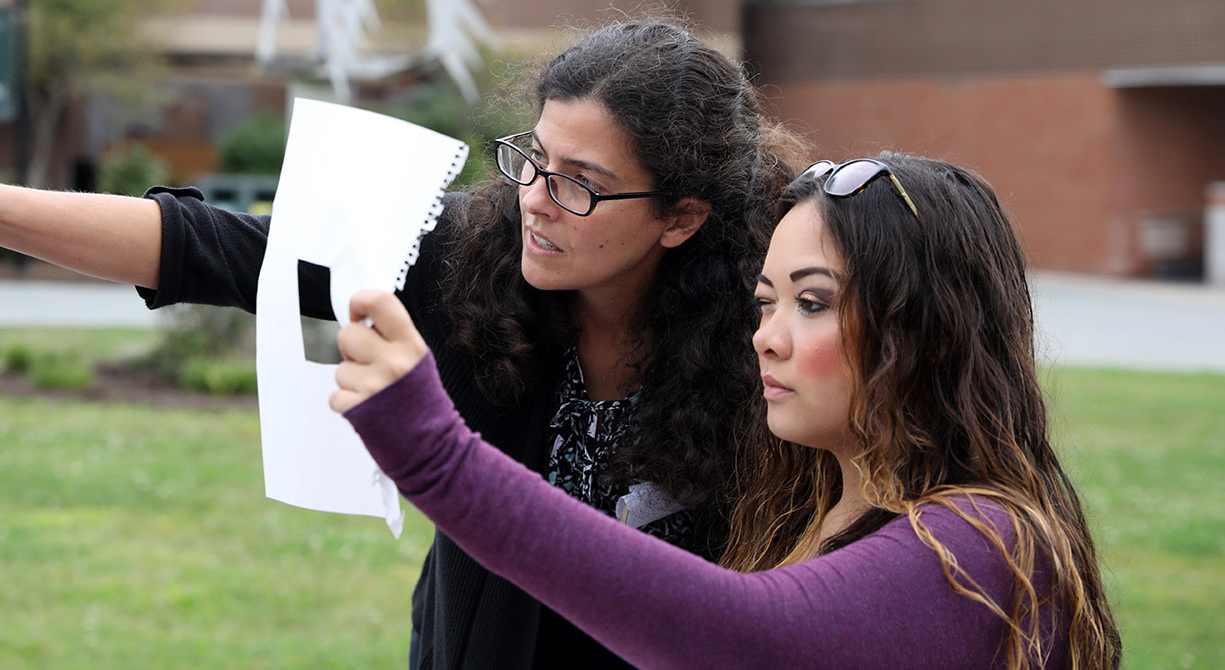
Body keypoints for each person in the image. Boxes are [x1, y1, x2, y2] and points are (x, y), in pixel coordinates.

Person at [0, 19, 799, 668]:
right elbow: (223, 248)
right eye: (532, 158)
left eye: (579, 182)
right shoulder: (469, 254)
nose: (536, 200)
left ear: (681, 216)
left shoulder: (774, 338)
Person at [331, 153, 1123, 669]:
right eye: (765, 303)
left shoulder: (984, 543)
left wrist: (441, 460)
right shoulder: (812, 508)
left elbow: (742, 634)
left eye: (813, 303)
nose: (767, 340)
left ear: (930, 331)